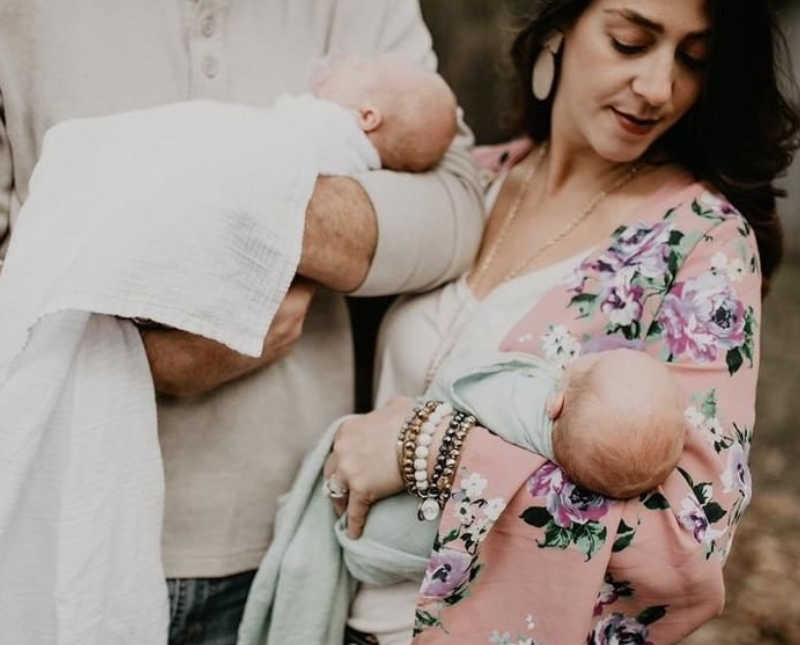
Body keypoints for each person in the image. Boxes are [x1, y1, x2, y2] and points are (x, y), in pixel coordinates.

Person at [241, 0, 799, 643]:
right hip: (327, 616)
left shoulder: (701, 244)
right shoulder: (466, 183)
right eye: (628, 42)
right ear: (560, 28)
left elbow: (684, 549)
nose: (657, 88)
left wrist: (435, 451)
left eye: (693, 61)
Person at [0, 2, 484, 644]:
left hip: (283, 537)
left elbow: (456, 204)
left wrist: (241, 225)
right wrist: (134, 341)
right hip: (50, 516)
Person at [429, 346, 685, 499]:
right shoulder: (574, 455)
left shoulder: (523, 401)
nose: (596, 354)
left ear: (555, 404)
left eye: (597, 361)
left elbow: (455, 382)